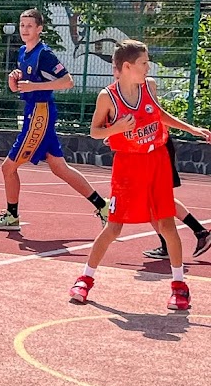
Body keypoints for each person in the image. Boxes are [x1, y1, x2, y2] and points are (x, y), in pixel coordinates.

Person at [69, 39, 211, 310]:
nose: (149, 67)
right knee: (113, 227)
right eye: (144, 63)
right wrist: (118, 127)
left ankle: (180, 286)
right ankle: (85, 279)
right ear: (127, 66)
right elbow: (95, 132)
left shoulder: (149, 88)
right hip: (127, 165)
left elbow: (159, 115)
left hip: (156, 161)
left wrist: (191, 129)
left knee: (166, 224)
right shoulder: (107, 97)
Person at [0, 9, 109, 231]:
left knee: (8, 168)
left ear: (40, 29)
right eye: (22, 25)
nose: (25, 30)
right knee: (59, 167)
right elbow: (20, 88)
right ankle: (102, 206)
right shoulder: (23, 52)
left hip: (40, 113)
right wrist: (14, 81)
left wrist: (35, 86)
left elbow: (67, 82)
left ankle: (12, 216)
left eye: (30, 26)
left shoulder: (44, 54)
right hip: (32, 110)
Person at [141, 138, 211, 259]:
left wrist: (194, 130)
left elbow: (163, 120)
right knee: (153, 200)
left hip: (155, 149)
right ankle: (200, 233)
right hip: (150, 148)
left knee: (151, 201)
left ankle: (169, 246)